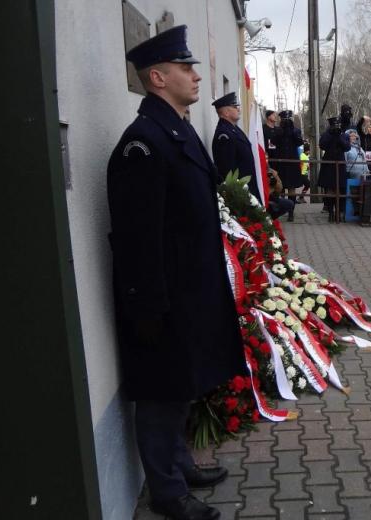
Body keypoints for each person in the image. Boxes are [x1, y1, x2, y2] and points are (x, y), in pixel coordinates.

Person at [107, 26, 242, 520]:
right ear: (159, 78)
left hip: (190, 290)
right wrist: (149, 306)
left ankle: (180, 463)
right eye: (186, 68)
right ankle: (166, 492)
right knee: (160, 392)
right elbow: (139, 238)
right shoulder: (142, 143)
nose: (196, 74)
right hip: (162, 297)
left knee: (180, 384)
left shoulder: (176, 128)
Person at [211, 92, 258, 196]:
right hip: (239, 191)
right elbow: (227, 170)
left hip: (247, 186)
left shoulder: (233, 129)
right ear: (226, 112)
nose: (238, 109)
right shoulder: (224, 134)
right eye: (235, 106)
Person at [270, 111, 303, 221]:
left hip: (292, 162)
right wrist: (280, 132)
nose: (286, 121)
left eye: (288, 119)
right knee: (280, 187)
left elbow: (299, 142)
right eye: (284, 119)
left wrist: (293, 132)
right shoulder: (278, 130)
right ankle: (279, 210)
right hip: (281, 162)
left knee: (292, 188)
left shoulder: (296, 130)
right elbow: (273, 142)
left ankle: (291, 212)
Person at [318, 116, 351, 222]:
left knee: (340, 189)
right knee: (329, 189)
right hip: (328, 165)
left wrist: (339, 137)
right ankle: (331, 212)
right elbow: (322, 145)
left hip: (340, 165)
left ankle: (339, 212)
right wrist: (331, 134)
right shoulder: (326, 134)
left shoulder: (344, 135)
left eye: (338, 125)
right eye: (334, 125)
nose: (337, 127)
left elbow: (347, 147)